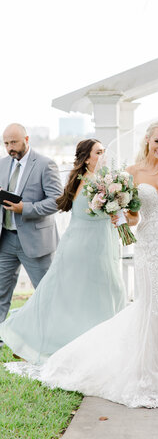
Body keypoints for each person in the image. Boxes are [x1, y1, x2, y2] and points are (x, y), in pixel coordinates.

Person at [6, 119, 158, 409]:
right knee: (151, 309)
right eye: (157, 141)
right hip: (151, 246)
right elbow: (135, 217)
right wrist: (119, 215)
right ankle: (149, 372)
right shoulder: (130, 173)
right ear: (148, 141)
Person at [0, 138, 126, 363]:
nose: (104, 155)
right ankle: (92, 344)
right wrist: (117, 208)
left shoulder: (84, 180)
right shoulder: (94, 183)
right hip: (89, 248)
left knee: (67, 296)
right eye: (99, 152)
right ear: (87, 159)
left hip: (80, 245)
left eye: (104, 151)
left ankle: (89, 341)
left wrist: (118, 206)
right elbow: (96, 212)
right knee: (103, 293)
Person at [0, 123, 63, 346]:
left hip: (36, 242)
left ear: (27, 139)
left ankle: (53, 337)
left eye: (14, 142)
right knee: (0, 291)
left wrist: (24, 208)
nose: (10, 148)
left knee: (46, 293)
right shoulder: (2, 164)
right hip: (5, 239)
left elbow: (57, 201)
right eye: (6, 143)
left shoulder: (46, 164)